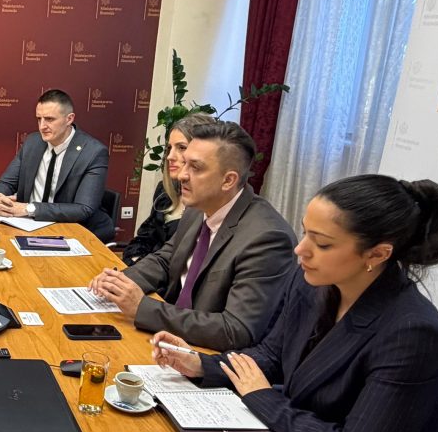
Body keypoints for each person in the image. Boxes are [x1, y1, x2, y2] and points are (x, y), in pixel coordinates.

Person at [150, 174, 438, 432]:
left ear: (377, 254)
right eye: (305, 233)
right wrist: (200, 365)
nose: (300, 249)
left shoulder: (411, 331)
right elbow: (272, 356)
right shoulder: (312, 282)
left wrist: (262, 398)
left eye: (322, 243)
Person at [89, 121, 296, 350]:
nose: (181, 175)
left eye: (195, 168)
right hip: (171, 336)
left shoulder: (267, 238)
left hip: (207, 355)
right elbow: (165, 259)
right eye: (185, 163)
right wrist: (118, 283)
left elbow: (235, 330)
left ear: (228, 180)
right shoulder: (200, 206)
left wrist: (142, 308)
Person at [0, 89, 113, 242]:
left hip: (74, 231)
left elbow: (83, 208)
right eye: (39, 119)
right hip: (28, 226)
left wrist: (28, 208)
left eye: (49, 119)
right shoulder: (32, 142)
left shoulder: (93, 152)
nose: (42, 126)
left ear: (69, 119)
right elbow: (6, 183)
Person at [121, 113, 216, 264]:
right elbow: (144, 238)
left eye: (181, 148)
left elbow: (180, 262)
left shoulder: (209, 204)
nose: (170, 156)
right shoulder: (164, 190)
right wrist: (135, 262)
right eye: (169, 148)